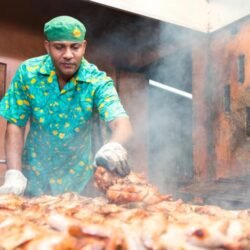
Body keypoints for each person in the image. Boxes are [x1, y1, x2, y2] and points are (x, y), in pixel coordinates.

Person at [0, 16, 132, 197]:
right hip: (33, 176)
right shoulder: (28, 73)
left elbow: (121, 122)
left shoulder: (97, 81)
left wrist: (114, 145)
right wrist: (14, 173)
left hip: (77, 181)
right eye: (59, 47)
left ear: (84, 46)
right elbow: (15, 123)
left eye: (75, 47)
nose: (68, 54)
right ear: (47, 46)